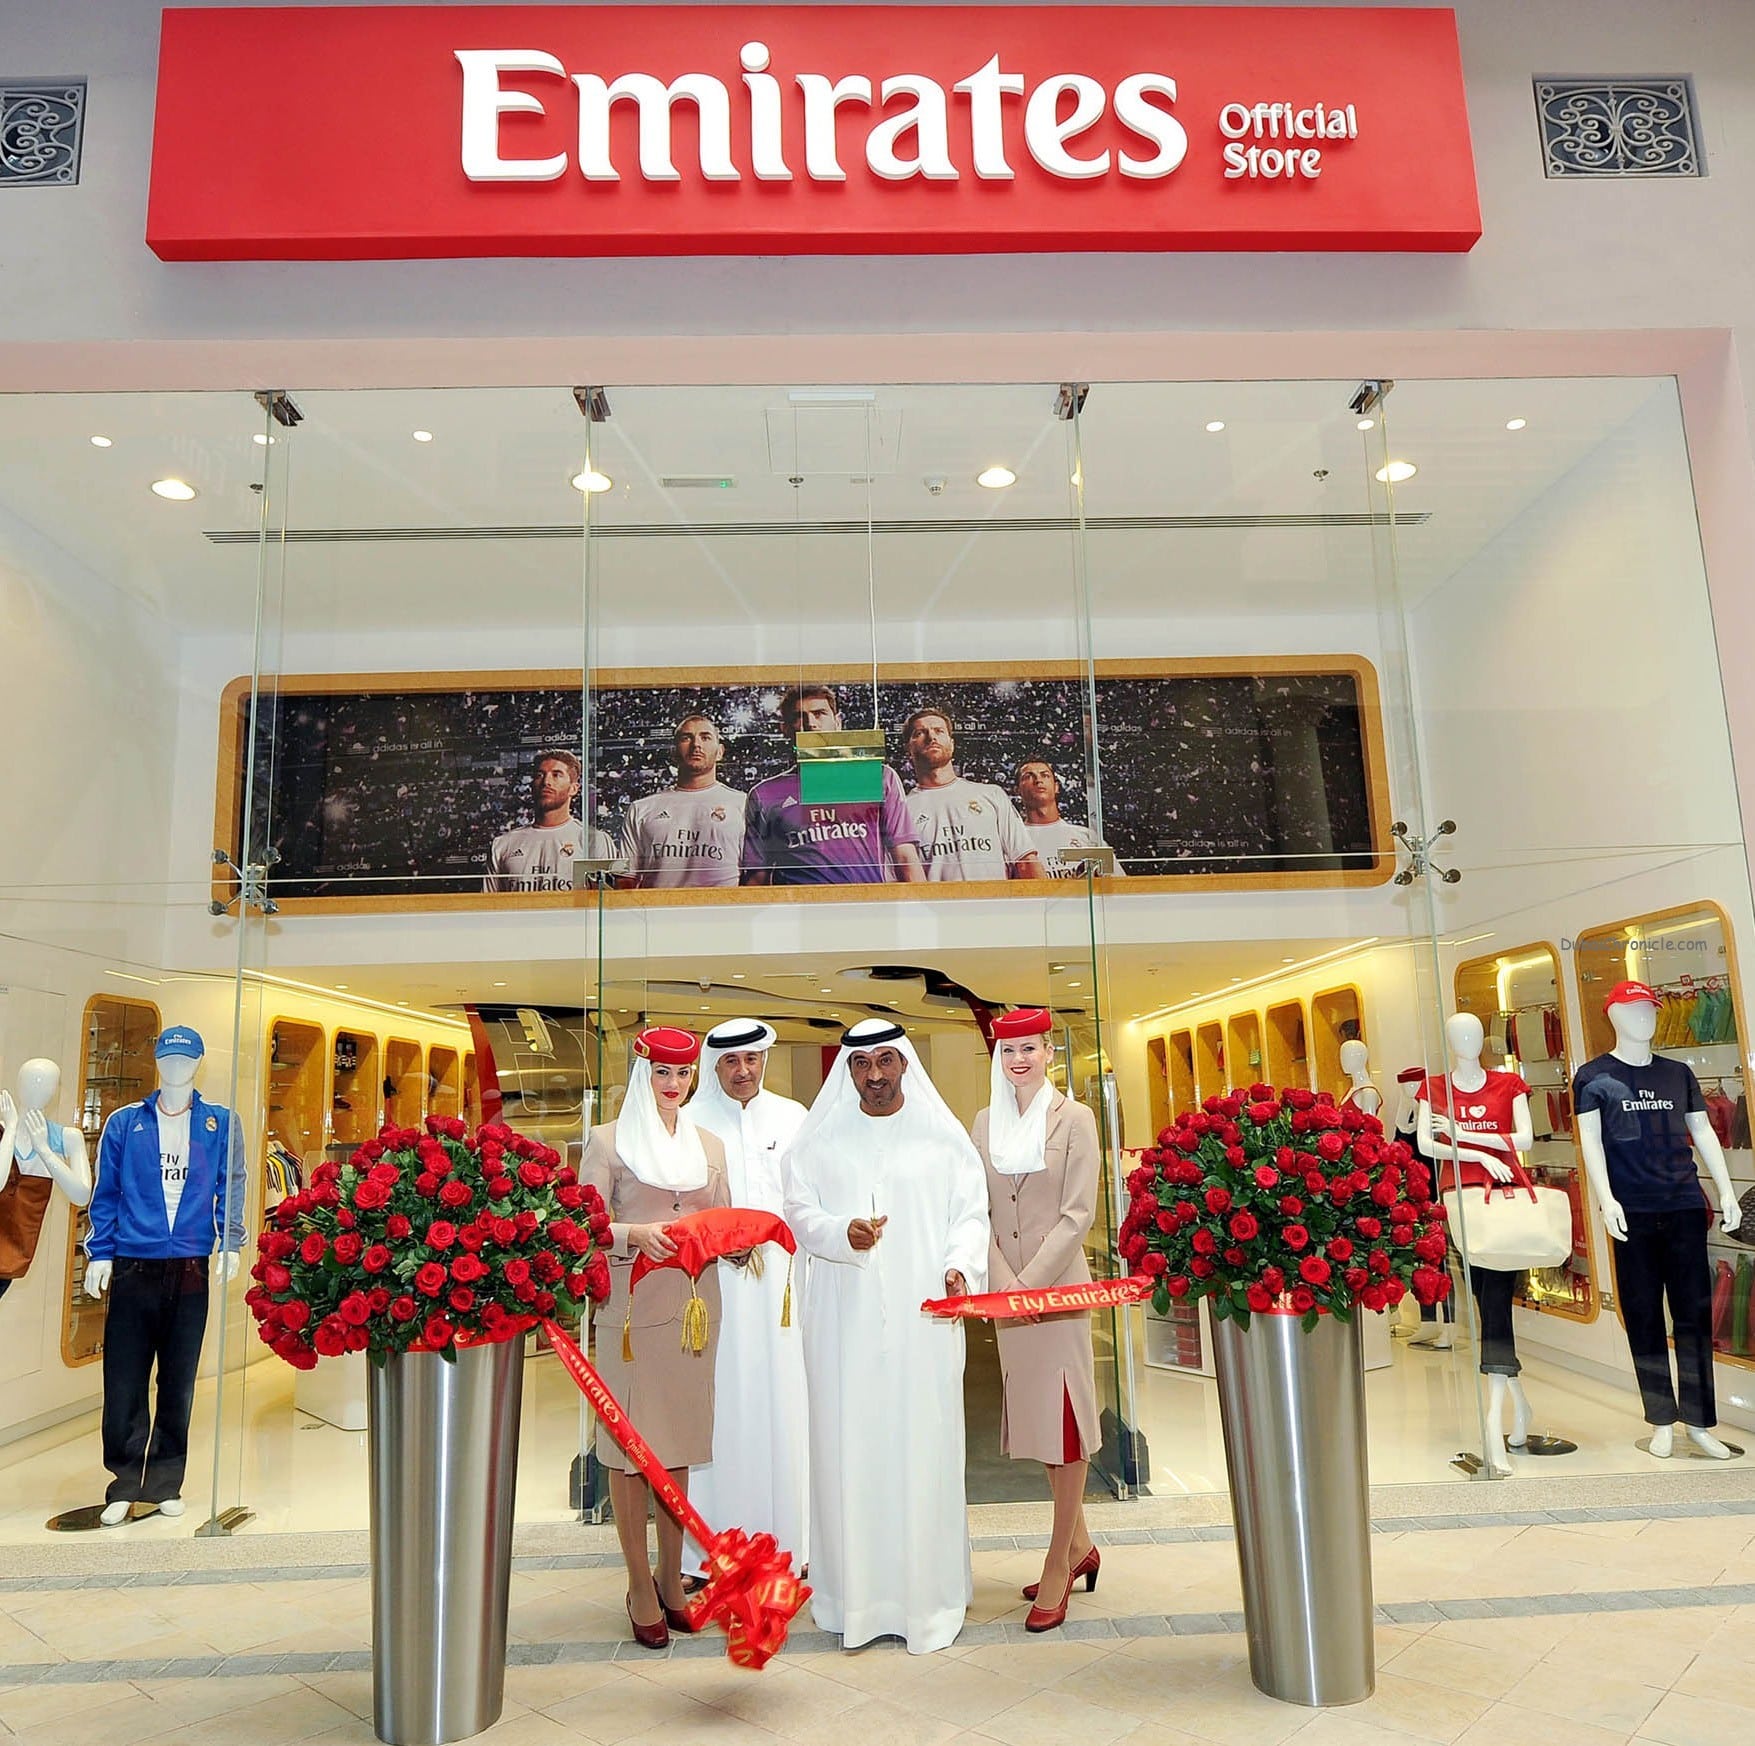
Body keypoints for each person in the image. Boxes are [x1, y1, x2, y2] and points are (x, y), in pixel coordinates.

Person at [782, 1017, 991, 1653]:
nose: (874, 1076)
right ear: (848, 1072)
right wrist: (841, 1234)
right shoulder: (819, 1143)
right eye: (861, 1065)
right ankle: (853, 1601)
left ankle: (928, 1600)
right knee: (850, 1452)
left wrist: (961, 1264)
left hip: (923, 1329)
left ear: (904, 1064)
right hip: (844, 1331)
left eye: (885, 1063)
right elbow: (799, 1213)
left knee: (921, 1451)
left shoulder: (943, 1140)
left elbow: (970, 1214)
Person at [581, 1027, 730, 1649]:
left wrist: (739, 1241)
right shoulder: (608, 1142)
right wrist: (631, 1234)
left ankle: (672, 1580)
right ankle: (639, 1583)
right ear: (645, 1076)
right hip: (631, 1314)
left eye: (684, 1075)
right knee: (628, 1450)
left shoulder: (709, 1144)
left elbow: (723, 1217)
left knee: (676, 1445)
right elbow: (581, 1223)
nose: (675, 1085)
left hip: (695, 1309)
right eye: (665, 1074)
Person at [970, 1008, 1102, 1632]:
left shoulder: (1074, 1118)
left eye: (1029, 1047)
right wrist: (1003, 1282)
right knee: (1039, 1424)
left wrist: (1030, 1285)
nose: (1018, 1059)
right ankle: (1081, 1545)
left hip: (1057, 1293)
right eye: (1008, 1050)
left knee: (1066, 1420)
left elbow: (1079, 1214)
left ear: (1048, 1051)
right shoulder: (984, 1123)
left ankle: (1058, 1562)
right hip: (1008, 1297)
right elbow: (978, 1212)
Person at [683, 1019, 810, 1579]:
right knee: (718, 1410)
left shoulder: (794, 1118)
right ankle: (705, 1550)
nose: (742, 1071)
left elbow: (808, 1200)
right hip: (715, 1284)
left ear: (764, 1061)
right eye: (731, 1062)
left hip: (783, 1288)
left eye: (752, 1061)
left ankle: (790, 1545)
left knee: (784, 1405)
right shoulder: (688, 1124)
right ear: (715, 1066)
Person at [743, 684, 925, 885]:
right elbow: (756, 877)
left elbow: (905, 856)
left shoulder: (878, 776)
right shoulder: (764, 794)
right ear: (785, 729)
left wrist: (920, 909)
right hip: (799, 911)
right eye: (799, 716)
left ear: (837, 722)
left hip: (866, 908)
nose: (810, 723)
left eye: (819, 713)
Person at [903, 709, 1042, 881]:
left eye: (939, 731)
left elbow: (1025, 860)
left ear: (952, 744)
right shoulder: (904, 809)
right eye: (920, 732)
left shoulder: (991, 795)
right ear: (908, 747)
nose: (932, 737)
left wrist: (1045, 906)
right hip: (937, 907)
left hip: (995, 906)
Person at [616, 714, 747, 889]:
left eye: (705, 737)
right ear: (674, 752)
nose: (696, 745)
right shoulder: (641, 809)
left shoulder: (743, 804)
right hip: (657, 913)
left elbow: (755, 876)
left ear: (720, 752)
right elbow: (626, 879)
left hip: (722, 913)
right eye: (687, 738)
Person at [483, 749, 612, 892]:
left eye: (556, 775)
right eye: (540, 775)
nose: (546, 781)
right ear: (532, 786)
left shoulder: (595, 841)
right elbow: (489, 907)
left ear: (574, 789)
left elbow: (610, 905)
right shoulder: (503, 844)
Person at [1015, 758, 1126, 878]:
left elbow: (1119, 886)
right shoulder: (1014, 840)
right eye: (1028, 776)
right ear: (1017, 790)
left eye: (1045, 775)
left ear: (1056, 787)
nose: (1038, 780)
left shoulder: (1087, 837)